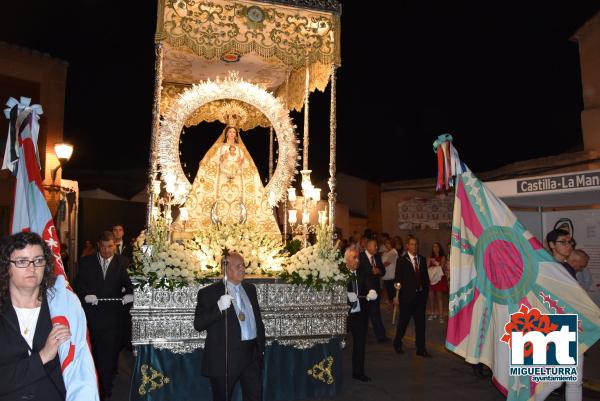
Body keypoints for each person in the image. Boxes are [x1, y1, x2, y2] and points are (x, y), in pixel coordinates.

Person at [0, 232, 70, 400]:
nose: (32, 268)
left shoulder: (61, 310)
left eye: (38, 260)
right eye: (22, 261)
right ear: (6, 266)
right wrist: (42, 357)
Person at [194, 251, 265, 401]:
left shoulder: (250, 289)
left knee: (255, 396)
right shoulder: (209, 293)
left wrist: (260, 349)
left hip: (251, 354)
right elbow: (199, 324)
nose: (242, 269)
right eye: (238, 266)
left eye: (243, 265)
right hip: (225, 358)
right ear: (225, 269)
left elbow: (257, 320)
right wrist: (218, 308)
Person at [74, 231, 134, 401]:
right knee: (94, 356)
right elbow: (78, 283)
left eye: (110, 246)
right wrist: (85, 295)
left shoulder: (123, 262)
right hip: (92, 318)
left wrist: (130, 295)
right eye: (104, 246)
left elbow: (130, 285)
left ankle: (105, 391)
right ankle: (94, 384)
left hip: (114, 319)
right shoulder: (86, 262)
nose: (107, 250)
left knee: (109, 358)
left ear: (115, 246)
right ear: (98, 246)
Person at [393, 235, 431, 357]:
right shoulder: (402, 261)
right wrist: (396, 297)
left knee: (420, 324)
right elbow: (397, 280)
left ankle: (421, 348)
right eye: (412, 244)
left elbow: (425, 279)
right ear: (407, 246)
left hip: (420, 298)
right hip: (406, 298)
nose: (414, 246)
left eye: (416, 244)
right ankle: (397, 342)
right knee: (403, 323)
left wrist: (425, 294)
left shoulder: (422, 260)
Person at [345, 247, 378, 382]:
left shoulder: (363, 272)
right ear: (346, 260)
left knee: (360, 345)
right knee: (337, 344)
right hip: (345, 315)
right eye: (354, 258)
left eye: (358, 257)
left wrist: (371, 291)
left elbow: (368, 283)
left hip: (359, 315)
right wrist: (346, 296)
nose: (357, 260)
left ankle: (358, 372)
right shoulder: (338, 274)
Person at [359, 239, 388, 342]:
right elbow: (358, 274)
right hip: (363, 292)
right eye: (375, 246)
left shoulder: (377, 257)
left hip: (376, 291)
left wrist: (378, 271)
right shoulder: (360, 257)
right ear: (368, 247)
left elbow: (383, 271)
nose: (377, 248)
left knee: (375, 313)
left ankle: (381, 336)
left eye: (377, 246)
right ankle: (362, 335)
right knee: (364, 314)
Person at [427, 242, 448, 323]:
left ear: (439, 248)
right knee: (431, 297)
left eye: (437, 246)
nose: (435, 248)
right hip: (431, 279)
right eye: (434, 247)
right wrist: (429, 260)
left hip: (439, 279)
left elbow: (441, 267)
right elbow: (427, 267)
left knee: (439, 297)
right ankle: (432, 313)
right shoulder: (430, 257)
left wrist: (435, 262)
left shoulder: (442, 257)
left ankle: (441, 315)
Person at [381, 238, 399, 304]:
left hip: (391, 276)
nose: (386, 245)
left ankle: (395, 310)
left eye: (388, 243)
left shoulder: (393, 252)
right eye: (385, 243)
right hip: (386, 276)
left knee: (393, 294)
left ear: (392, 244)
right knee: (389, 293)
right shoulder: (385, 252)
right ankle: (392, 308)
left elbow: (386, 263)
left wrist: (378, 268)